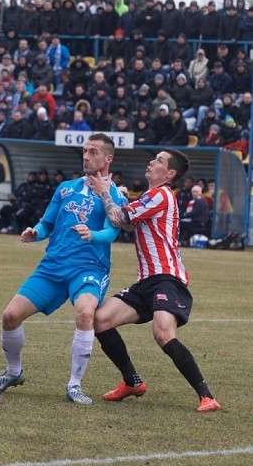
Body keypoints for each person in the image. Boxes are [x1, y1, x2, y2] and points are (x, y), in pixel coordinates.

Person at [0, 134, 128, 404]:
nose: (86, 156)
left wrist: (93, 235)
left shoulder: (114, 195)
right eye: (84, 151)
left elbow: (111, 233)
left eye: (93, 152)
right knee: (10, 315)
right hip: (53, 266)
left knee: (85, 313)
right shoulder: (66, 188)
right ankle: (13, 371)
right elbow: (47, 223)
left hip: (89, 267)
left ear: (108, 158)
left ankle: (75, 385)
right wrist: (36, 232)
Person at [87, 149, 222, 413]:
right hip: (146, 282)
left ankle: (207, 396)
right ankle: (132, 382)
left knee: (162, 332)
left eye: (159, 160)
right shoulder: (151, 197)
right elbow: (127, 224)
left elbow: (119, 218)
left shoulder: (161, 194)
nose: (151, 162)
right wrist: (117, 196)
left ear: (170, 174)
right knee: (100, 320)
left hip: (167, 279)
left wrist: (106, 192)